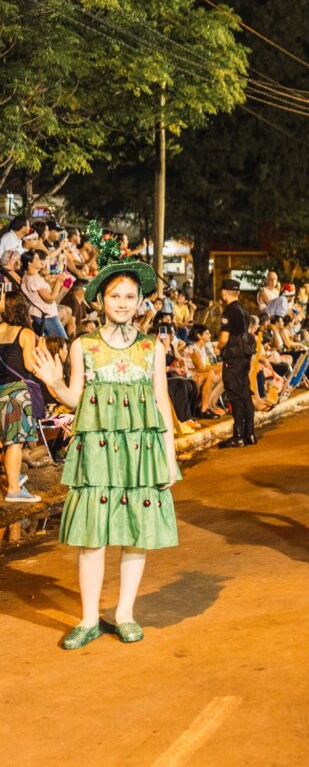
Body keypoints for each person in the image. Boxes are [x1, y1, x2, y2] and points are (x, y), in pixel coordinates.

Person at [30, 244, 180, 647]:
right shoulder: (83, 346)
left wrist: (169, 459)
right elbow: (76, 398)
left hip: (140, 453)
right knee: (92, 536)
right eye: (115, 295)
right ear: (100, 300)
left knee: (135, 533)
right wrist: (53, 383)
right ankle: (88, 619)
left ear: (140, 301)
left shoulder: (152, 348)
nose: (123, 303)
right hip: (96, 453)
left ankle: (125, 613)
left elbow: (162, 404)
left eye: (130, 296)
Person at [0, 293, 41, 503]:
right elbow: (28, 366)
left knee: (5, 441)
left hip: (0, 390)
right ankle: (14, 489)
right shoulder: (25, 333)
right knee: (15, 442)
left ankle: (14, 477)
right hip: (17, 393)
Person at [217, 279, 255, 448]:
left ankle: (238, 435)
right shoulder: (244, 310)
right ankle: (250, 434)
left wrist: (218, 347)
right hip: (244, 356)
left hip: (233, 357)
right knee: (245, 394)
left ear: (224, 292)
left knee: (235, 394)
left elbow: (224, 339)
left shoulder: (230, 311)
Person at [21, 249, 69, 338]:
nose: (40, 261)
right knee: (62, 343)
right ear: (29, 263)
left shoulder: (26, 276)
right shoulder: (35, 280)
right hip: (47, 317)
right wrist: (59, 282)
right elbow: (50, 299)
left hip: (39, 315)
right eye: (36, 259)